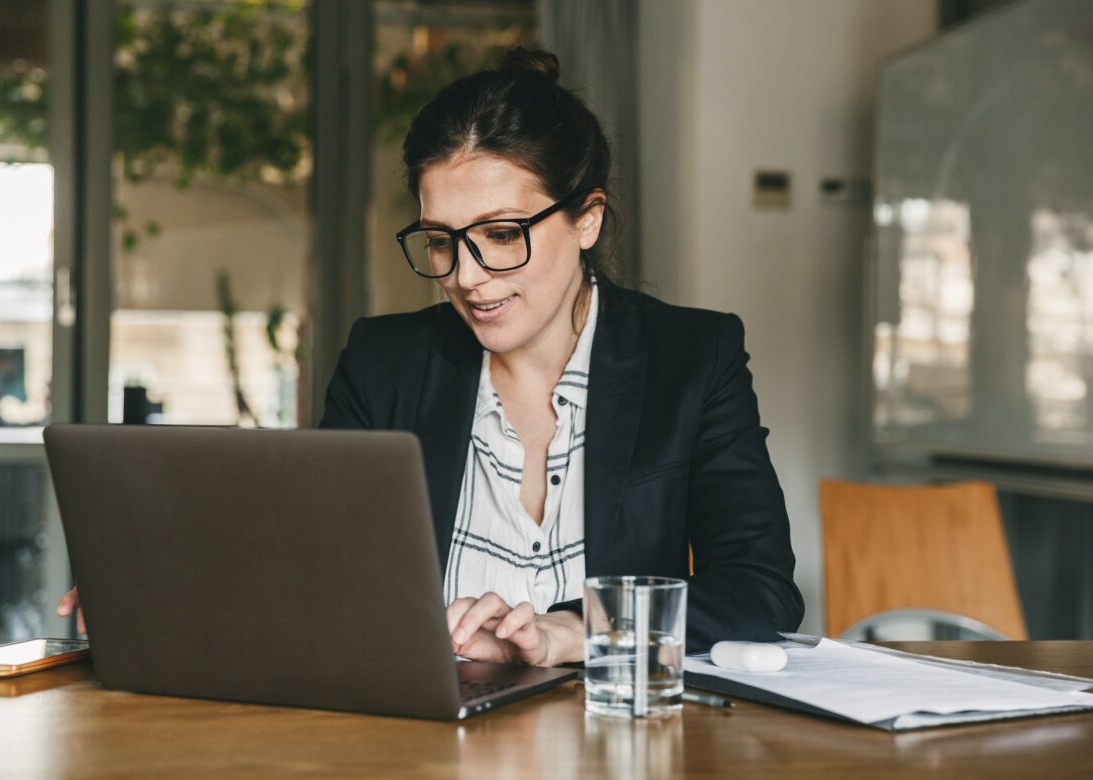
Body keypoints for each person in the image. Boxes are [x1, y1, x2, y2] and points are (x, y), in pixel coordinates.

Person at [60, 48, 803, 666]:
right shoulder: (385, 363)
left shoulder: (692, 357)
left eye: (503, 233)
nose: (467, 275)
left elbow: (760, 592)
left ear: (588, 219)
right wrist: (170, 587)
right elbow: (311, 563)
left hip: (618, 740)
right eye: (442, 239)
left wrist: (571, 631)